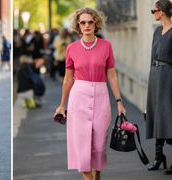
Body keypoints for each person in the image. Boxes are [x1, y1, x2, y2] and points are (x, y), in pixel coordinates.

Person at [54, 8, 126, 180]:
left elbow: (111, 74)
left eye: (90, 22)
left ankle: (97, 175)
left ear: (96, 24)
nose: (86, 25)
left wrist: (119, 101)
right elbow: (68, 78)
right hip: (78, 98)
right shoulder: (71, 48)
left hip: (101, 96)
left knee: (99, 147)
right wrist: (62, 104)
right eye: (82, 22)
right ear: (78, 26)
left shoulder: (106, 46)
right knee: (81, 146)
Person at [146, 0, 172, 175]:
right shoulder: (157, 32)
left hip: (169, 77)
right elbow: (152, 57)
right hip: (155, 76)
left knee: (168, 116)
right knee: (156, 115)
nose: (153, 13)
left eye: (153, 10)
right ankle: (158, 156)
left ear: (161, 12)